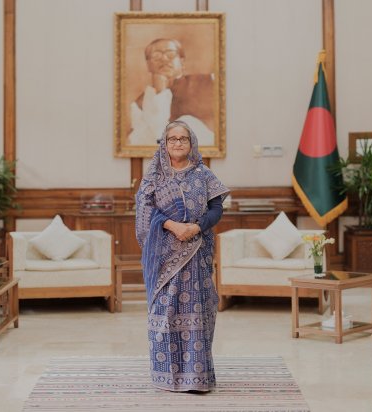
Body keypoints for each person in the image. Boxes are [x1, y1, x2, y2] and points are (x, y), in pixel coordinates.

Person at [135, 120, 229, 392]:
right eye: (172, 139)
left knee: (198, 314)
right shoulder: (154, 177)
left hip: (196, 255)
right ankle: (166, 376)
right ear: (164, 144)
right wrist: (173, 226)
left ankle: (196, 379)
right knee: (164, 315)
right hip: (164, 256)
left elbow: (216, 209)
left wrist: (196, 227)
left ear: (192, 143)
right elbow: (145, 211)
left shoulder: (203, 174)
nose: (177, 143)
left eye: (183, 139)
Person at [128, 38, 215, 146]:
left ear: (182, 61)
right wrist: (160, 93)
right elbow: (144, 142)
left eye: (170, 54)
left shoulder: (211, 81)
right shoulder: (138, 105)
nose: (164, 59)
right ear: (148, 65)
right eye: (156, 56)